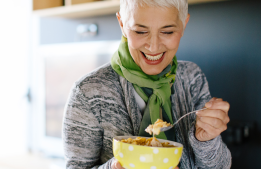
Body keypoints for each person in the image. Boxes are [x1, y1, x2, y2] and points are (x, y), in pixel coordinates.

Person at [62, 0, 232, 168]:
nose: (153, 46)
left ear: (183, 25)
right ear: (122, 24)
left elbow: (220, 166)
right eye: (140, 31)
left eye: (167, 32)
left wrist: (206, 140)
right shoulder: (88, 92)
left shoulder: (192, 78)